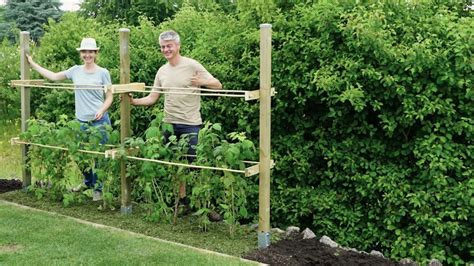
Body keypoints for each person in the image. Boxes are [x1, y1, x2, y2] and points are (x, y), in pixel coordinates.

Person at [129, 30, 222, 208]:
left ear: (178, 46)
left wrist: (203, 83)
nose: (166, 49)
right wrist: (133, 101)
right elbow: (152, 98)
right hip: (169, 124)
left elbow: (218, 85)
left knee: (195, 165)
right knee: (174, 163)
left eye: (169, 46)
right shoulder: (162, 71)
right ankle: (182, 200)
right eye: (163, 47)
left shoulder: (192, 65)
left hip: (191, 124)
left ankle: (205, 205)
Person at [27, 37, 113, 201]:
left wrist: (102, 109)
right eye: (84, 52)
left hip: (100, 121)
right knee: (79, 155)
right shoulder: (75, 71)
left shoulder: (103, 73)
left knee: (100, 157)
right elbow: (53, 77)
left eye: (91, 52)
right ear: (81, 54)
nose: (87, 55)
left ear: (95, 53)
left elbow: (109, 96)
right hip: (80, 121)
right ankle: (88, 182)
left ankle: (98, 190)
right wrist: (33, 64)